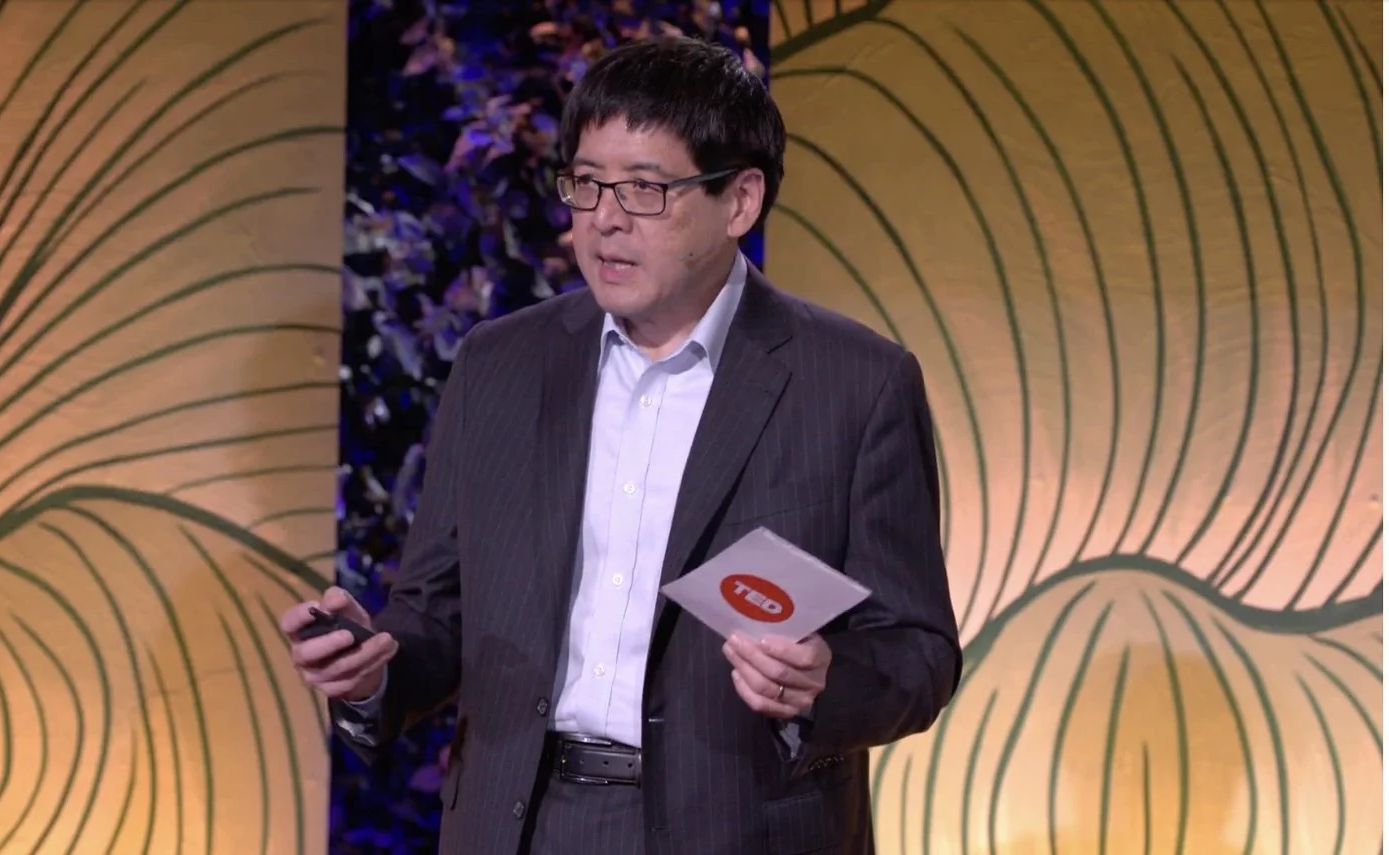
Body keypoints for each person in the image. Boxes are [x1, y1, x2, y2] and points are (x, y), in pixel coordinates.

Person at [282, 35, 961, 855]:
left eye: (645, 189)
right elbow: (439, 609)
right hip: (521, 823)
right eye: (587, 183)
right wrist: (375, 670)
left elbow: (918, 652)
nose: (604, 219)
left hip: (743, 827)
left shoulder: (856, 383)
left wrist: (825, 682)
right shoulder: (500, 364)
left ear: (739, 202)